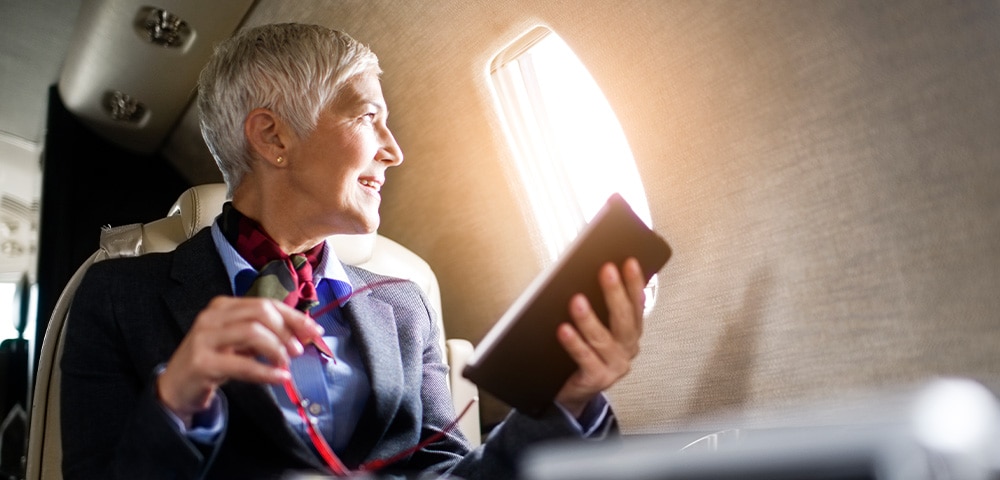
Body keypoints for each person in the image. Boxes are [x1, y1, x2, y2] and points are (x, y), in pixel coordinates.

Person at [60, 23, 648, 479]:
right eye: (369, 117)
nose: (394, 151)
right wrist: (177, 400)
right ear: (273, 137)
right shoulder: (117, 297)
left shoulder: (403, 304)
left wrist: (565, 402)